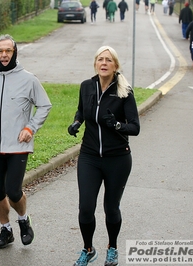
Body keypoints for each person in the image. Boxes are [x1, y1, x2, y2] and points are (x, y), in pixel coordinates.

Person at [0, 34, 52, 249]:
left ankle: (23, 221)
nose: (4, 55)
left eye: (8, 51)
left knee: (13, 191)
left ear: (15, 53)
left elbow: (44, 106)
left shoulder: (28, 79)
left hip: (18, 146)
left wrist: (30, 128)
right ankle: (6, 230)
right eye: (0, 51)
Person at [68, 46, 140, 266]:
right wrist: (77, 122)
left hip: (117, 158)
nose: (104, 63)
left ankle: (112, 247)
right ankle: (88, 249)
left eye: (109, 60)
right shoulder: (86, 87)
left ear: (115, 65)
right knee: (86, 208)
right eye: (100, 59)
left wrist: (117, 125)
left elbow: (135, 127)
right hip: (89, 156)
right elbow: (82, 110)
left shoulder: (124, 91)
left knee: (111, 208)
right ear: (95, 63)